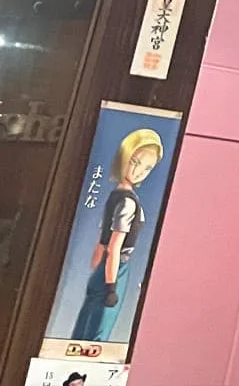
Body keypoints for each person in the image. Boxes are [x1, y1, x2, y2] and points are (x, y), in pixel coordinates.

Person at [70, 128, 164, 341]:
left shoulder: (115, 195)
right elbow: (114, 247)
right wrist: (111, 286)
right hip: (116, 268)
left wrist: (97, 272)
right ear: (124, 158)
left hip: (103, 269)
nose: (140, 171)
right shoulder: (128, 202)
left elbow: (101, 243)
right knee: (99, 330)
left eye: (147, 168)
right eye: (135, 162)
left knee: (86, 323)